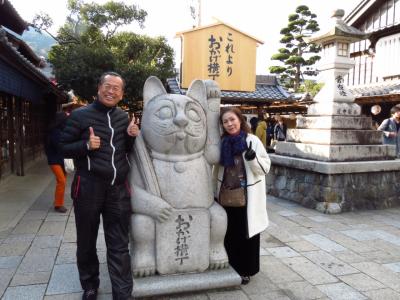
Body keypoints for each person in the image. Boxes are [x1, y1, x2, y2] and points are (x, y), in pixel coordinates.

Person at [59, 72, 139, 300]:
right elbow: (62, 147)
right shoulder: (80, 116)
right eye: (107, 86)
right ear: (99, 88)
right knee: (86, 241)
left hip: (118, 189)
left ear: (121, 94)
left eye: (116, 88)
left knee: (119, 243)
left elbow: (126, 149)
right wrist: (86, 144)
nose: (111, 91)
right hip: (88, 187)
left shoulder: (123, 118)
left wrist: (132, 136)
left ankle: (123, 293)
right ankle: (90, 285)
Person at [213, 107, 271, 285]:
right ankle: (230, 265)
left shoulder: (251, 140)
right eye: (225, 121)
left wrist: (253, 158)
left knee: (246, 234)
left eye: (232, 119)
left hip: (247, 197)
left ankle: (246, 270)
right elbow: (215, 169)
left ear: (240, 120)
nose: (230, 124)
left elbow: (265, 168)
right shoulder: (221, 142)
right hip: (226, 195)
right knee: (229, 233)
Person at [45, 112, 68, 213]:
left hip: (62, 160)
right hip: (54, 160)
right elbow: (60, 146)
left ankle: (58, 202)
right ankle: (58, 205)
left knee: (62, 182)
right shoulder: (55, 131)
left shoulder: (61, 130)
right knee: (62, 181)